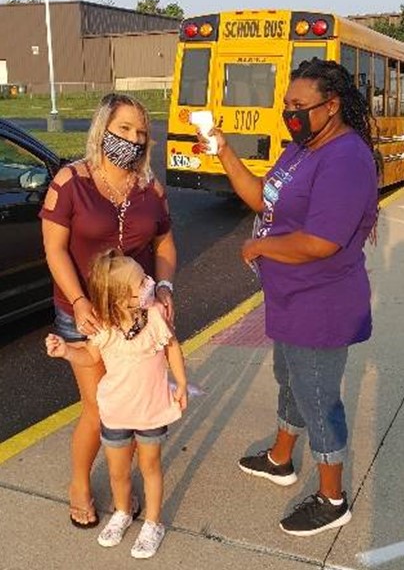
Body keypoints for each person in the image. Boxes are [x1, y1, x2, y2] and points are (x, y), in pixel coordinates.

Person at [197, 58, 378, 536]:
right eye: (286, 105)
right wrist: (223, 150)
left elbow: (321, 241)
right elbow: (262, 198)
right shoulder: (301, 148)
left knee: (318, 398)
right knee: (290, 378)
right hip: (290, 298)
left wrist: (259, 246)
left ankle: (333, 497)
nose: (290, 114)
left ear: (331, 105)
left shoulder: (347, 158)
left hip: (322, 303)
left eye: (300, 106)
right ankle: (281, 459)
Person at [40, 93, 176, 528]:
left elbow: (165, 243)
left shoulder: (151, 189)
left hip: (137, 316)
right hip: (86, 316)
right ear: (103, 128)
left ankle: (121, 481)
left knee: (134, 408)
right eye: (124, 129)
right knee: (101, 409)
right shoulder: (70, 181)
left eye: (141, 133)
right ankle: (79, 483)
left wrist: (167, 286)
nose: (133, 140)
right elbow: (54, 249)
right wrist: (79, 302)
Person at [46, 249, 187, 559]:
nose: (149, 283)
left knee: (150, 466)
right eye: (141, 282)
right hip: (116, 412)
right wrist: (66, 352)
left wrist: (181, 384)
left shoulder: (155, 317)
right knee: (118, 471)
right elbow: (89, 357)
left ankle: (153, 522)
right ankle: (122, 512)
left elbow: (172, 348)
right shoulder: (105, 329)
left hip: (151, 409)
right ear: (121, 298)